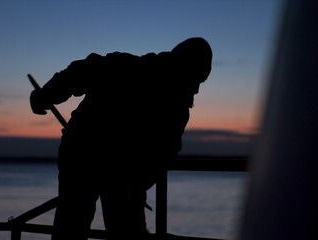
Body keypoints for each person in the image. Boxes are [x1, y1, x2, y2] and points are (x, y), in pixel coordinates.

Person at [30, 37, 212, 240]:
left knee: (98, 228)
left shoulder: (176, 105)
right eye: (196, 80)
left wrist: (139, 184)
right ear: (183, 67)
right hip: (84, 156)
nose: (196, 89)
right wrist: (45, 95)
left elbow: (163, 153)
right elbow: (80, 72)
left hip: (120, 171)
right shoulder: (128, 68)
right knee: (74, 226)